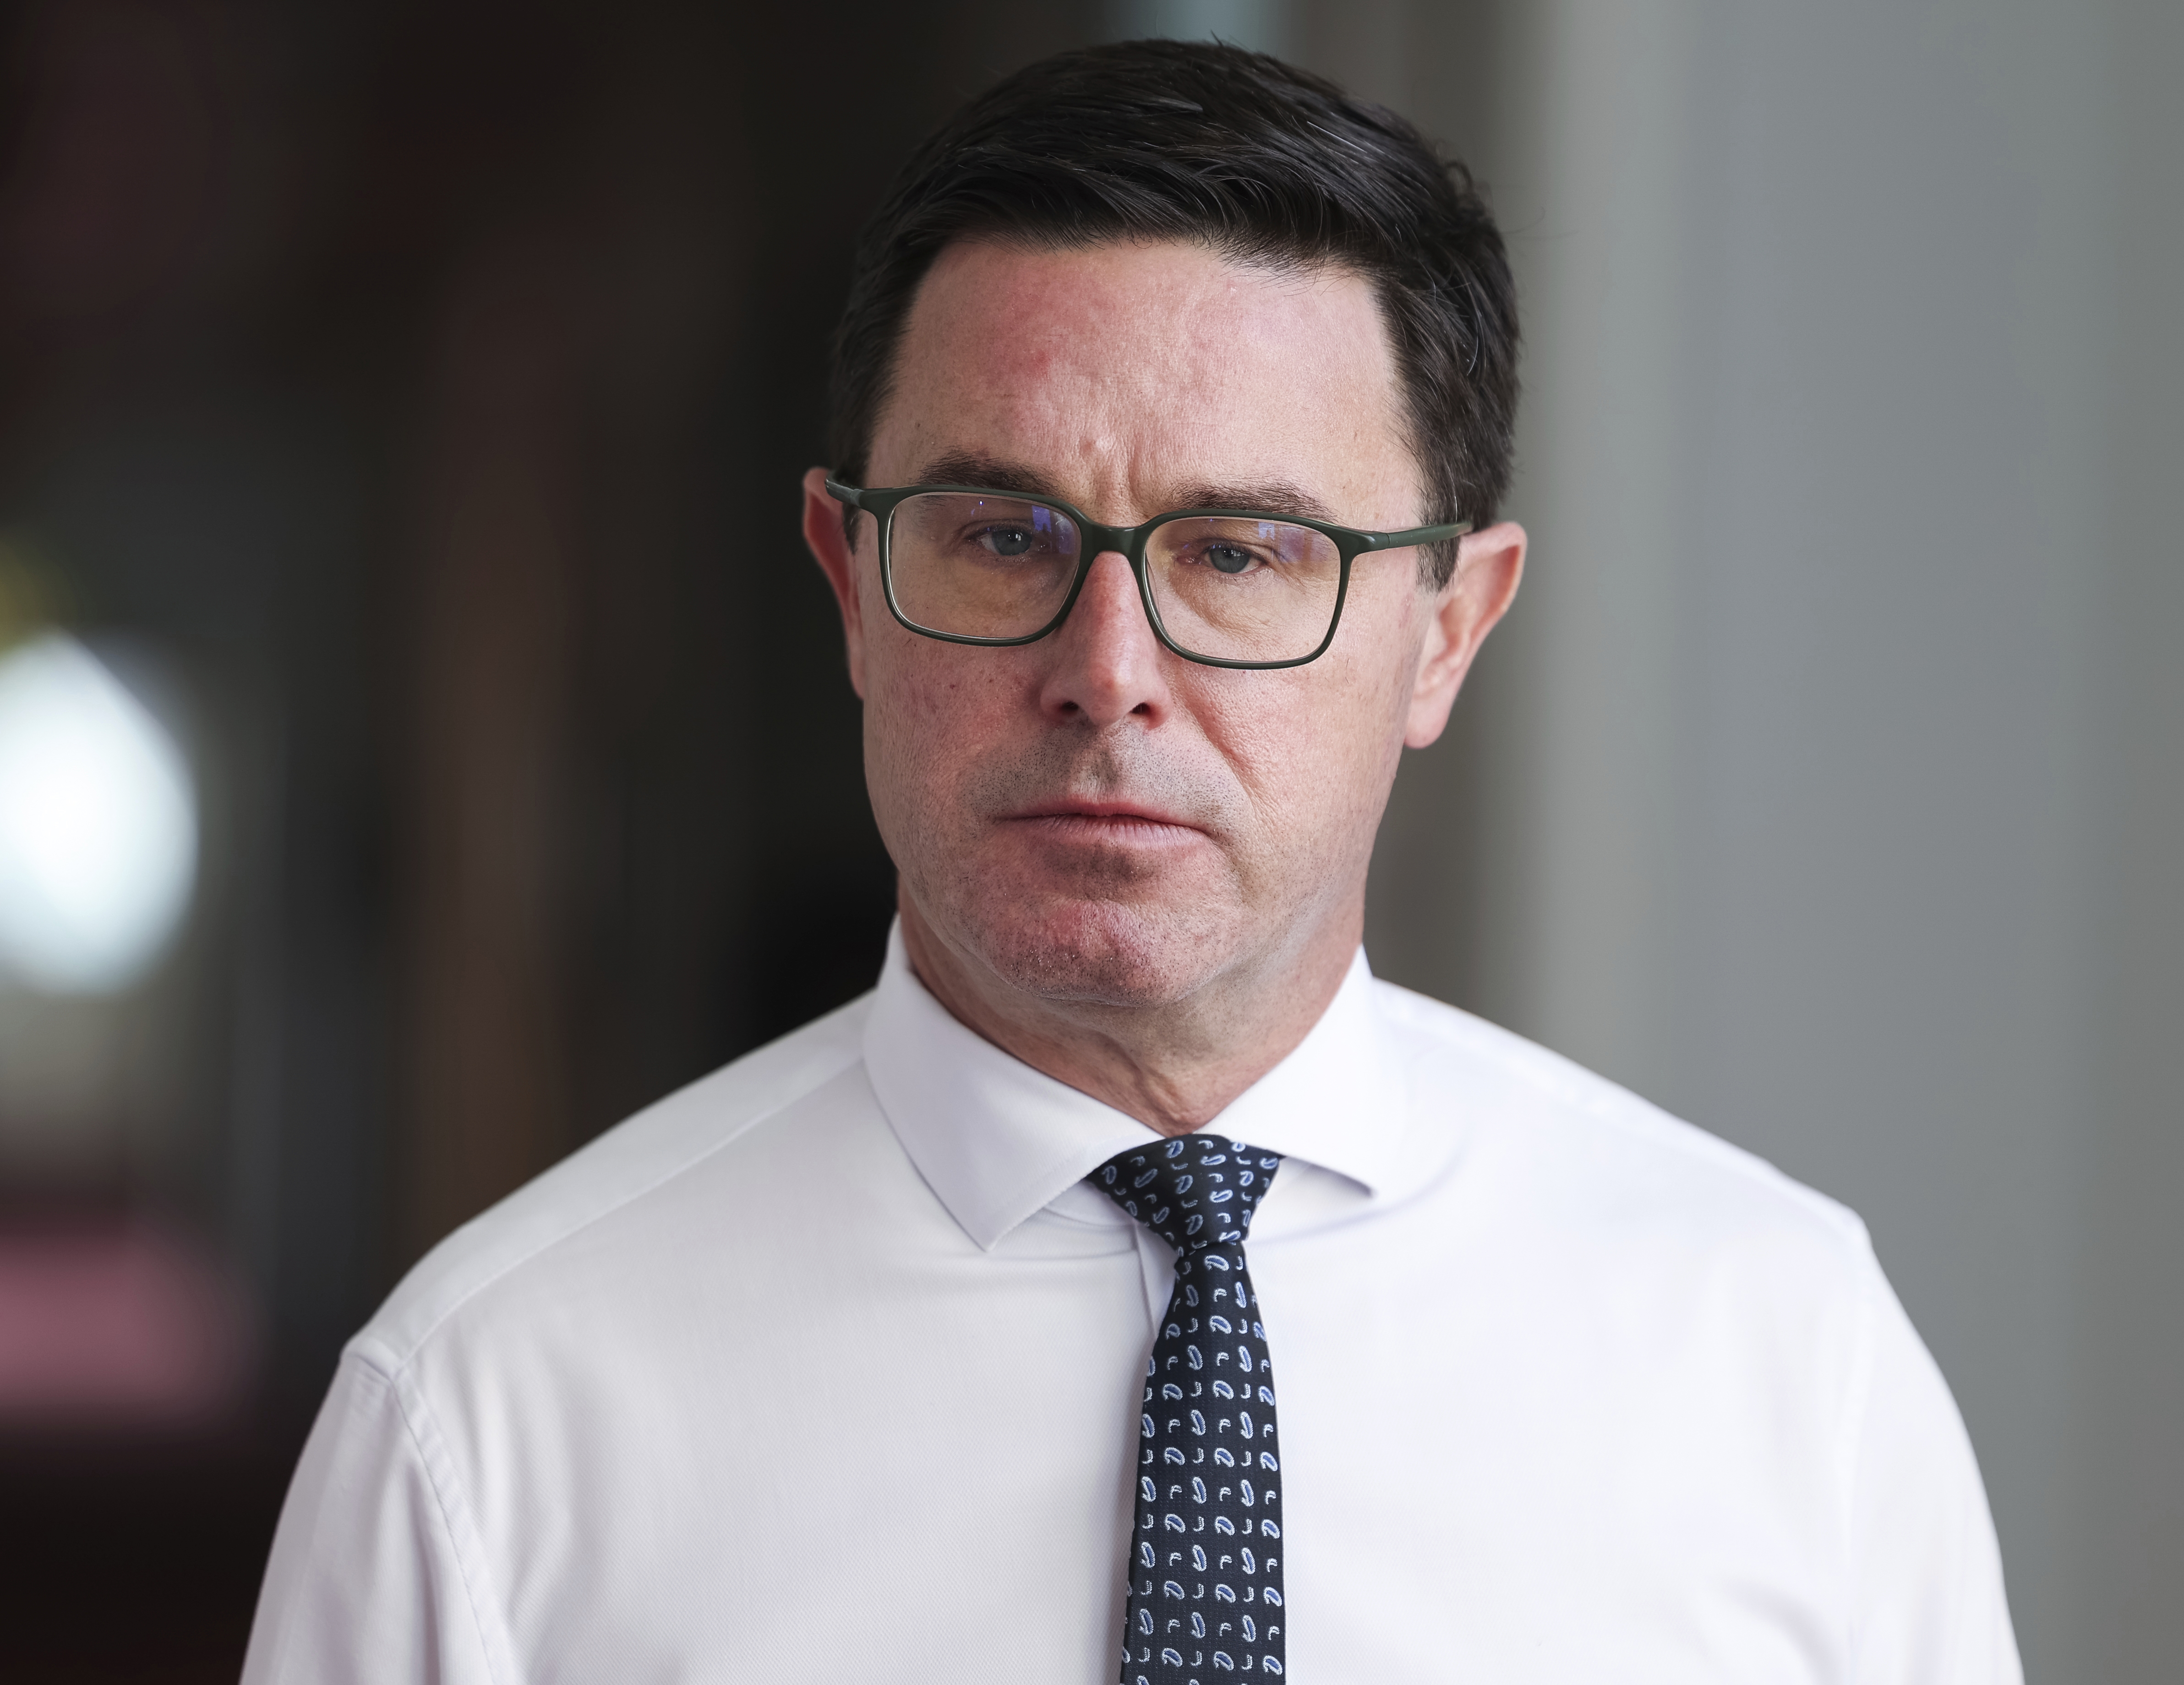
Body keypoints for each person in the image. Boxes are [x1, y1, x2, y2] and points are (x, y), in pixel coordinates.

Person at [242, 38, 2019, 1685]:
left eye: (1242, 552)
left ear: (1450, 629)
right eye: (1003, 534)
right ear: (850, 582)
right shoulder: (488, 1417)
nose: (1108, 667)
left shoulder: (1783, 1357)